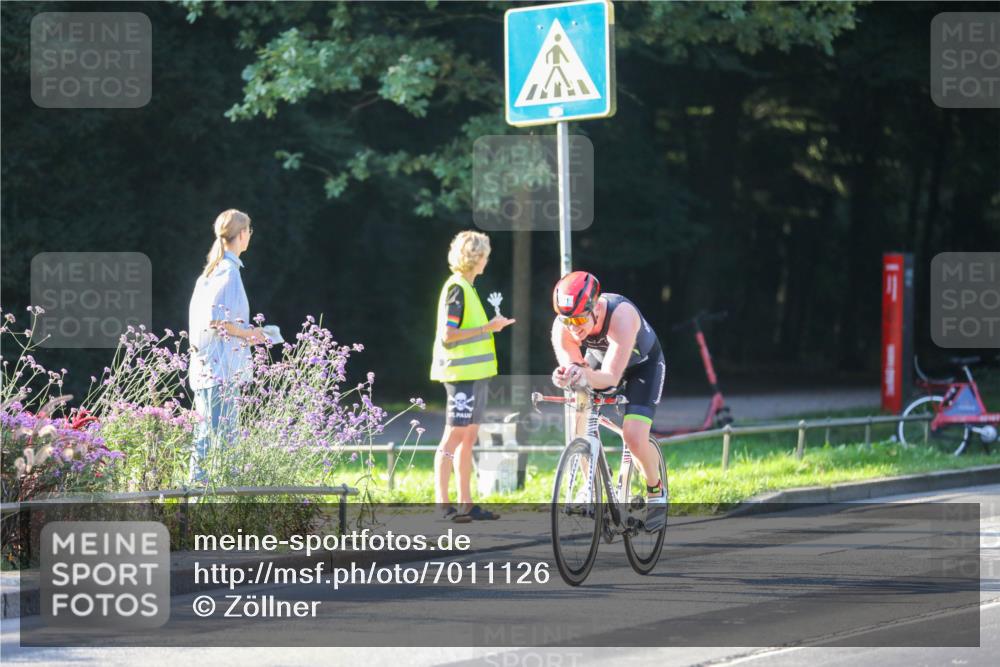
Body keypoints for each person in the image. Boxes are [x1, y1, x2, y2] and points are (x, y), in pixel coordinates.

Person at [550, 271, 667, 531]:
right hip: (600, 362)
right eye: (566, 319)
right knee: (578, 411)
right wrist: (567, 373)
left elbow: (611, 377)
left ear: (596, 307)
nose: (573, 327)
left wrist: (582, 374)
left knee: (634, 436)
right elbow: (576, 368)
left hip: (642, 367)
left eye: (580, 318)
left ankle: (656, 490)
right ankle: (589, 483)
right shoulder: (564, 326)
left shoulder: (621, 316)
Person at [430, 231, 515, 522]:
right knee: (453, 437)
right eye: (485, 256)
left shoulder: (467, 287)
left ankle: (466, 504)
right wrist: (489, 328)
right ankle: (444, 504)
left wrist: (492, 326)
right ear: (475, 258)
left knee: (468, 439)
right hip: (461, 375)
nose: (487, 261)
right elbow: (449, 335)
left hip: (475, 375)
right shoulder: (457, 288)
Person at [187, 209, 266, 482]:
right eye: (249, 231)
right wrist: (250, 334)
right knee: (220, 442)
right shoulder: (228, 272)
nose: (250, 236)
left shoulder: (210, 273)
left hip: (207, 369)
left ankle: (197, 503)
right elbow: (217, 320)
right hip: (219, 371)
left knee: (206, 439)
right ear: (242, 234)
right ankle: (205, 504)